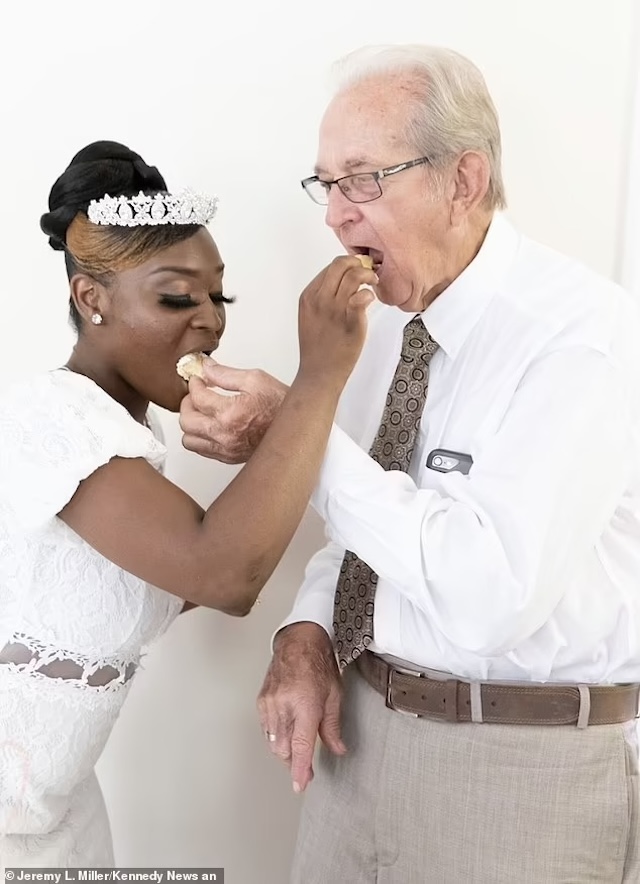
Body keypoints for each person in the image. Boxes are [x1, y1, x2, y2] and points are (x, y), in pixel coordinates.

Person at [180, 45, 640, 882]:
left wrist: (292, 429)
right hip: (358, 739)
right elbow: (366, 520)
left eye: (363, 178)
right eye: (326, 184)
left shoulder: (585, 339)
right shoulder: (384, 318)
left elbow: (490, 594)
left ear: (463, 179)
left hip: (521, 772)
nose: (334, 216)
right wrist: (308, 631)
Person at [0, 140, 377, 867]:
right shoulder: (51, 421)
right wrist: (321, 375)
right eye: (177, 297)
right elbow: (223, 573)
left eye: (217, 297)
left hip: (62, 814)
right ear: (92, 299)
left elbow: (203, 564)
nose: (209, 320)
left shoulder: (124, 439)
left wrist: (279, 445)